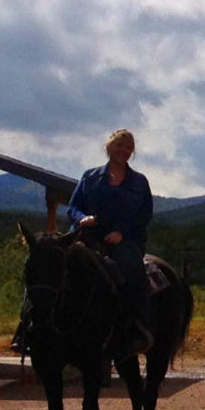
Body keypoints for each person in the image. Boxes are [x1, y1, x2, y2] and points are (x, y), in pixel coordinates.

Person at [66, 128, 154, 348]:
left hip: (126, 239)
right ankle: (30, 326)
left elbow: (144, 215)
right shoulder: (90, 176)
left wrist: (121, 233)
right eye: (119, 146)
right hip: (88, 236)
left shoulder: (139, 182)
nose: (123, 151)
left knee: (130, 267)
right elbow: (73, 207)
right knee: (50, 262)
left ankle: (137, 326)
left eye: (128, 147)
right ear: (108, 148)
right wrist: (81, 218)